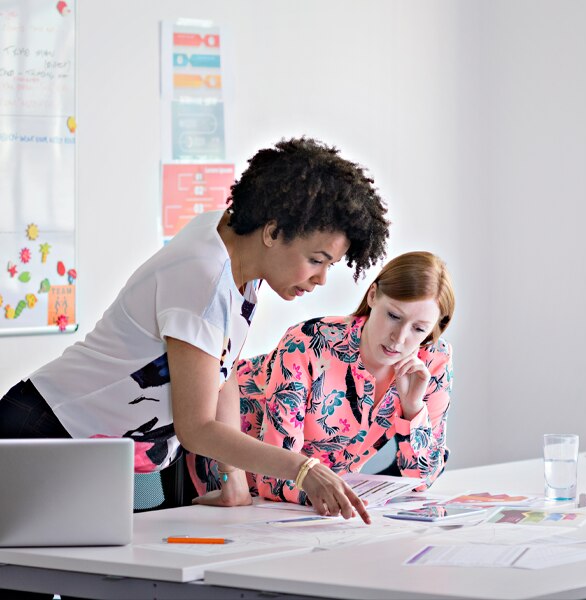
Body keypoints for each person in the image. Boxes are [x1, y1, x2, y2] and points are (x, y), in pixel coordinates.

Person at [0, 137, 389, 523]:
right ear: (272, 233)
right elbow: (197, 428)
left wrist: (232, 474)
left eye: (330, 266)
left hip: (108, 454)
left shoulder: (237, 251)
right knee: (30, 580)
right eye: (316, 260)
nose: (320, 278)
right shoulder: (203, 276)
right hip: (47, 432)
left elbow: (223, 368)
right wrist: (305, 470)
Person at [188, 251, 454, 506]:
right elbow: (273, 479)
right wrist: (339, 495)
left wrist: (413, 409)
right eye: (393, 316)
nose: (400, 337)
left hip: (313, 501)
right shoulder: (307, 343)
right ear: (373, 296)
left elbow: (422, 480)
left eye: (419, 328)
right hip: (229, 476)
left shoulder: (433, 363)